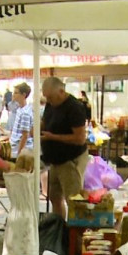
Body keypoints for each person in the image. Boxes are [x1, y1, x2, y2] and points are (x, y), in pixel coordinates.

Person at [40, 77, 89, 219]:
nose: (48, 101)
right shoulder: (51, 104)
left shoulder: (74, 107)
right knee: (54, 196)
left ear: (61, 92)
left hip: (70, 160)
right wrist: (37, 129)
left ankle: (75, 235)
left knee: (74, 200)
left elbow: (80, 138)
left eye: (51, 97)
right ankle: (59, 230)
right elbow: (45, 121)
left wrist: (53, 137)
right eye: (46, 97)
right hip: (55, 160)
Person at [9, 83, 35, 158]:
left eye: (16, 93)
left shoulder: (25, 113)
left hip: (18, 151)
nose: (13, 95)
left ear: (23, 95)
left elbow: (25, 136)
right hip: (15, 148)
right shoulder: (20, 109)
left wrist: (19, 154)